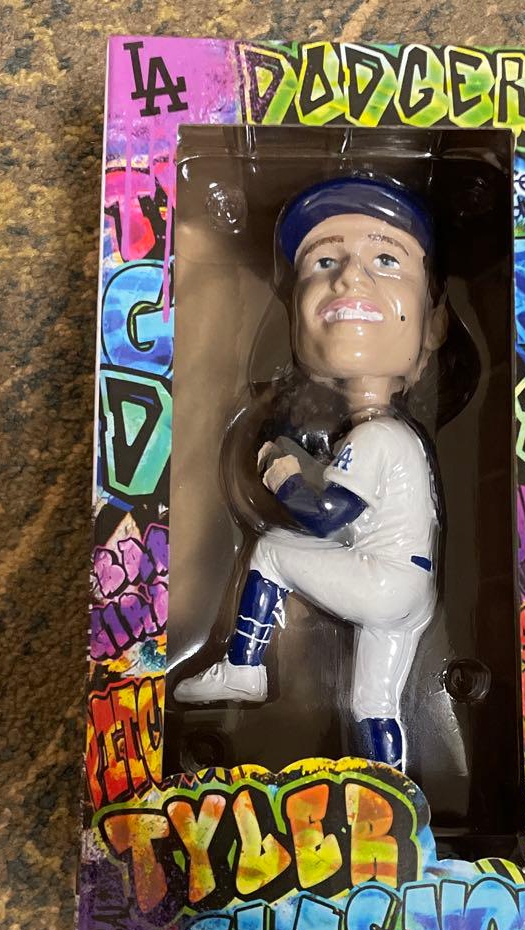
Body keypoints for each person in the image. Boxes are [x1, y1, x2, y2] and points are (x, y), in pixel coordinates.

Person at [173, 176, 447, 772]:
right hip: (411, 592)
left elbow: (329, 519)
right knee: (373, 703)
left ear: (432, 326)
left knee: (273, 551)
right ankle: (391, 791)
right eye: (323, 261)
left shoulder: (378, 435)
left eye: (386, 259)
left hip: (386, 582)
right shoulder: (386, 438)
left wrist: (286, 478)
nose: (348, 278)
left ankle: (244, 669)